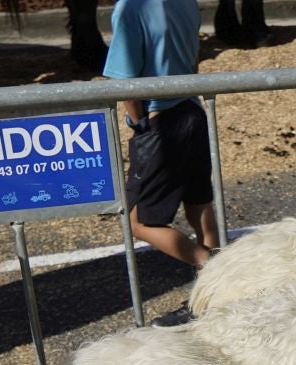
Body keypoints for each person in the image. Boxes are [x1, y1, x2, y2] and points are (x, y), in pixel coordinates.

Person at [104, 0, 218, 326]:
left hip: (161, 121)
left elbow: (124, 80)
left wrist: (140, 124)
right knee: (198, 202)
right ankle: (209, 297)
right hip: (191, 110)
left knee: (140, 221)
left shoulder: (131, 7)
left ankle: (214, 270)